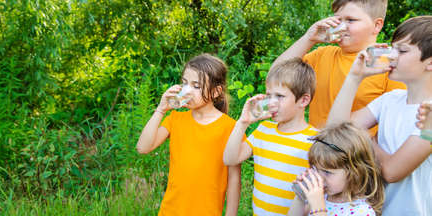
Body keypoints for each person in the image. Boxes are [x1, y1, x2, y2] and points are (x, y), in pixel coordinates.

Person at [327, 16, 432, 215]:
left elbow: (392, 172)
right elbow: (336, 131)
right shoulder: (391, 100)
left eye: (401, 51)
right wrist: (354, 77)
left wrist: (366, 138)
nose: (391, 56)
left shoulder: (429, 116)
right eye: (392, 48)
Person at [272, 0, 405, 132]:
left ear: (377, 25)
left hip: (357, 150)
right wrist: (308, 39)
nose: (341, 26)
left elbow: (395, 122)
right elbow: (276, 76)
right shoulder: (321, 55)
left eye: (351, 20)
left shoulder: (389, 65)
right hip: (315, 148)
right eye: (337, 20)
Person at [136, 53, 241, 216]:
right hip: (170, 211)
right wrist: (161, 109)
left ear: (215, 92)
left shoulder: (230, 127)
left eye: (196, 86)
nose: (187, 90)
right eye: (185, 83)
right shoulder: (175, 119)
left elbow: (234, 179)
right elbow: (143, 147)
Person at [224, 58, 318, 215]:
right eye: (269, 95)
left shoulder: (314, 141)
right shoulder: (263, 130)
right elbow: (230, 159)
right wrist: (243, 123)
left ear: (303, 100)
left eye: (280, 96)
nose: (272, 102)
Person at [288, 122, 385, 216]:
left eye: (327, 172)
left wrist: (318, 208)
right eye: (316, 169)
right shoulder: (322, 197)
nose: (319, 178)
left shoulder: (362, 211)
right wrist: (300, 196)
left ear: (356, 173)